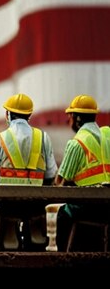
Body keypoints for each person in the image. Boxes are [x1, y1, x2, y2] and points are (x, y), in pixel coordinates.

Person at [0, 94, 57, 251]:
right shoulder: (43, 138)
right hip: (36, 205)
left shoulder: (2, 138)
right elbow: (51, 175)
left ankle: (8, 241)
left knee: (4, 241)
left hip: (8, 205)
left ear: (8, 114)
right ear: (29, 115)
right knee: (37, 242)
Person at [54, 94, 110, 251]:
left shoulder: (77, 143)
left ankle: (64, 256)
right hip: (107, 205)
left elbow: (61, 182)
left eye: (70, 116)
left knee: (63, 213)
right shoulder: (108, 135)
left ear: (76, 118)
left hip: (89, 208)